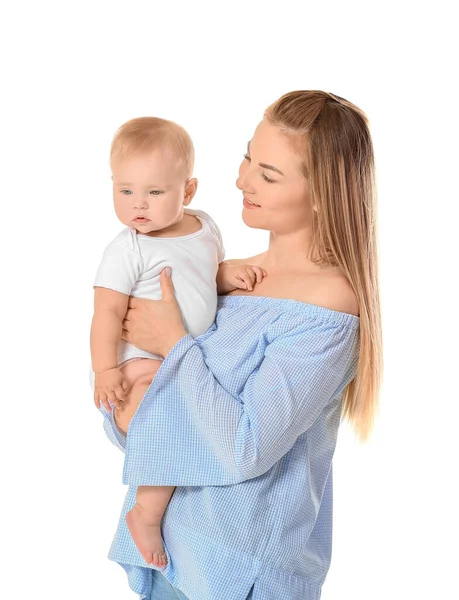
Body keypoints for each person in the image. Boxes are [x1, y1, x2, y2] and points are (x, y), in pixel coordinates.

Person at [99, 90, 382, 600]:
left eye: (268, 174)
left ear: (322, 193)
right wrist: (124, 398)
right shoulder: (229, 278)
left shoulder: (329, 307)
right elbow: (152, 436)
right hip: (174, 554)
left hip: (238, 573)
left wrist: (174, 344)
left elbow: (244, 449)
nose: (241, 179)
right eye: (249, 155)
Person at [90, 115, 267, 569]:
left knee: (196, 412)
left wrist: (225, 275)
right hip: (137, 361)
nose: (138, 206)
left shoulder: (204, 227)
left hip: (185, 356)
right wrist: (108, 370)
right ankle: (146, 512)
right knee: (168, 417)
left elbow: (203, 274)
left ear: (187, 192)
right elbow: (107, 313)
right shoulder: (127, 249)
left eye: (154, 192)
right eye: (125, 191)